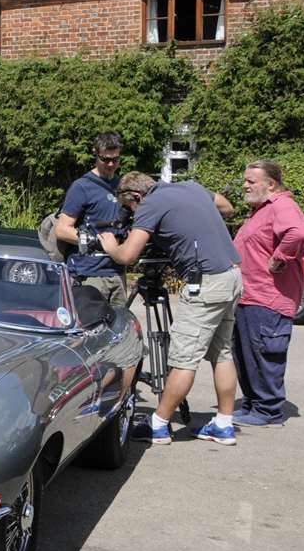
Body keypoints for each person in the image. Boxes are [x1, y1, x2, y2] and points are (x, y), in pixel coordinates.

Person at [100, 171, 242, 446]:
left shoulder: (151, 204)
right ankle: (223, 424)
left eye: (130, 207)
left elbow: (128, 255)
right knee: (222, 353)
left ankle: (159, 424)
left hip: (205, 284)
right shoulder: (189, 186)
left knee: (183, 359)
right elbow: (227, 206)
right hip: (231, 275)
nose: (132, 212)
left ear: (137, 197)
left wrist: (111, 247)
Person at [231, 160, 304, 428]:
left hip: (267, 299)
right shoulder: (261, 210)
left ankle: (268, 410)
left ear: (271, 184)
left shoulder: (282, 206)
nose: (245, 185)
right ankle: (254, 404)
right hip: (250, 296)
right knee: (247, 355)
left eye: (251, 181)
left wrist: (280, 258)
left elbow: (298, 234)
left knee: (264, 353)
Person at [53, 132, 130, 311]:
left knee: (118, 330)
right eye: (105, 159)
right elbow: (62, 229)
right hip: (90, 274)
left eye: (116, 159)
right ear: (95, 154)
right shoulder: (82, 187)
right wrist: (96, 241)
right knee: (90, 331)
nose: (111, 164)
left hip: (117, 272)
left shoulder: (122, 185)